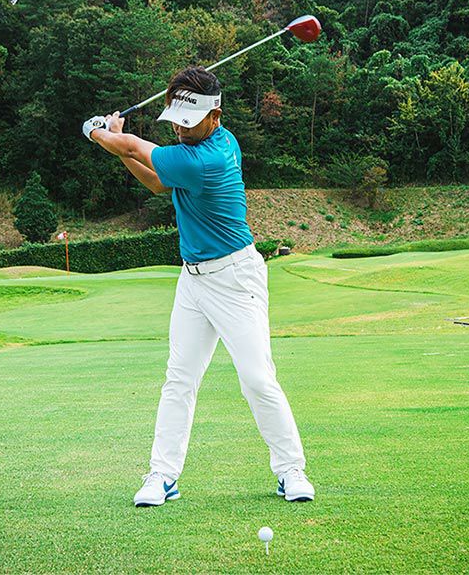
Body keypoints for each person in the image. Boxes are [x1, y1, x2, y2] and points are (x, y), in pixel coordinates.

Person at [82, 66, 314, 507]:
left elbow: (131, 146)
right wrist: (116, 141)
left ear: (215, 117)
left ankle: (291, 469)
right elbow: (156, 181)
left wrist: (97, 132)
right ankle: (162, 475)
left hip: (235, 279)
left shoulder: (208, 159)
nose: (181, 130)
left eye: (189, 123)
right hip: (192, 281)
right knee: (180, 379)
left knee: (257, 378)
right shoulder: (200, 149)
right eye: (176, 121)